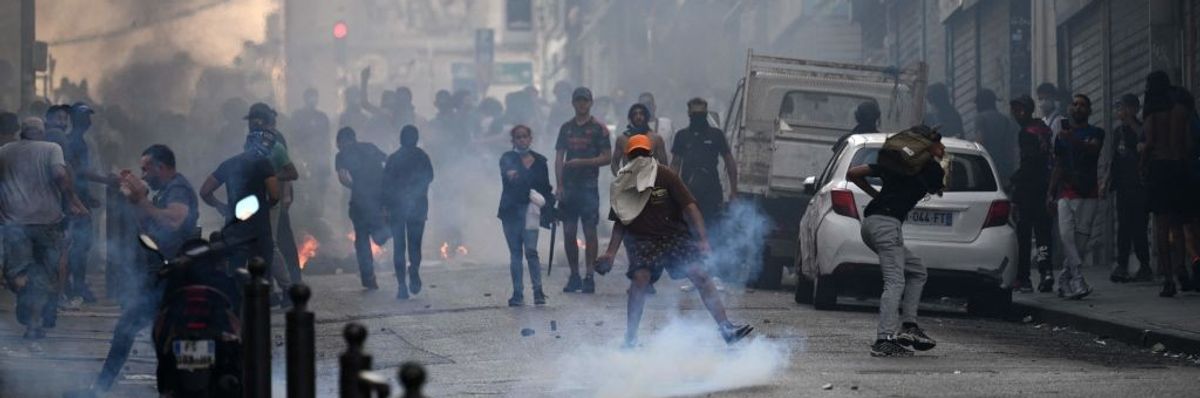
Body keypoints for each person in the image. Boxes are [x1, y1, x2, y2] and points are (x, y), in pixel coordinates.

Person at [596, 135, 752, 348]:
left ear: (651, 154)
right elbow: (621, 222)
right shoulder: (623, 183)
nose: (640, 157)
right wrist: (610, 253)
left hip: (674, 236)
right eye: (635, 154)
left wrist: (703, 240)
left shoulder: (666, 175)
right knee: (640, 278)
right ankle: (630, 338)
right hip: (644, 240)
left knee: (700, 274)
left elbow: (690, 206)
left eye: (643, 153)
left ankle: (726, 328)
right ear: (627, 157)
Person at [92, 144, 198, 393]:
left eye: (146, 169)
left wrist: (141, 198)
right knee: (169, 333)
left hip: (175, 275)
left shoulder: (178, 188)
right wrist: (134, 198)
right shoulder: (164, 191)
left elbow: (174, 221)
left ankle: (99, 389)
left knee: (171, 333)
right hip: (162, 273)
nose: (144, 175)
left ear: (161, 167)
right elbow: (148, 225)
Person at [845, 125, 944, 357]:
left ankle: (909, 326)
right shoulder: (930, 169)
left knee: (917, 270)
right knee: (895, 281)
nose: (943, 148)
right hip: (887, 225)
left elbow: (853, 174)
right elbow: (939, 186)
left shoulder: (894, 165)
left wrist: (876, 195)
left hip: (871, 223)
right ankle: (885, 339)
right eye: (939, 144)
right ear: (928, 146)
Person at [0, 118, 87, 339]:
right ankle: (34, 321)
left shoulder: (5, 151)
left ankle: (30, 314)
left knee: (18, 273)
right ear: (41, 132)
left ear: (22, 132)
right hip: (47, 222)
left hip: (14, 223)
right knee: (44, 274)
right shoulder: (52, 148)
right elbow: (60, 175)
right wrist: (73, 200)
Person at [200, 130, 282, 291]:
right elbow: (274, 194)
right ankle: (258, 311)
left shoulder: (229, 164)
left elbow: (205, 191)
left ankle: (236, 311)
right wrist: (265, 207)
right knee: (261, 276)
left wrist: (220, 206)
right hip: (258, 229)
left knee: (235, 275)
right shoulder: (264, 163)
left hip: (234, 228)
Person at [1141, 71, 1195, 297]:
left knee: (1162, 226)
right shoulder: (1182, 110)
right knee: (1179, 223)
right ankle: (1182, 270)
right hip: (1181, 168)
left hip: (1160, 168)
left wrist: (1142, 165)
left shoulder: (1154, 112)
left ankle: (1168, 279)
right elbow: (1190, 143)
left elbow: (1150, 142)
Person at [555, 86, 611, 294]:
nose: (581, 104)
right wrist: (559, 185)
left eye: (585, 100)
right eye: (578, 100)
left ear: (591, 102)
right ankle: (574, 275)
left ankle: (589, 275)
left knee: (590, 232)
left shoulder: (599, 129)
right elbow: (559, 158)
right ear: (573, 103)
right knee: (569, 232)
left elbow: (607, 157)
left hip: (589, 187)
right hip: (569, 188)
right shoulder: (566, 128)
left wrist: (584, 162)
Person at [1047, 94, 1103, 300]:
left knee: (1081, 239)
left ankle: (1064, 278)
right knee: (1066, 235)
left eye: (1082, 105)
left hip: (1088, 191)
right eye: (1075, 104)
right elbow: (1058, 165)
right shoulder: (1061, 137)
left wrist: (1074, 140)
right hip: (1066, 191)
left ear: (1089, 110)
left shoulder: (1097, 132)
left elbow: (1094, 148)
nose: (1078, 108)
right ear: (1070, 109)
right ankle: (1078, 278)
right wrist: (1050, 193)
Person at [63, 102, 115, 304]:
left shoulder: (81, 141)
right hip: (74, 202)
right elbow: (78, 172)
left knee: (81, 245)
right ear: (75, 119)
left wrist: (87, 196)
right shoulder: (75, 142)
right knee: (79, 244)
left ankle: (76, 284)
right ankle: (75, 286)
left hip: (79, 198)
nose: (88, 121)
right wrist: (105, 180)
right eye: (84, 117)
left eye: (89, 117)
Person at [497, 125, 554, 306]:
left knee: (531, 251)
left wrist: (551, 208)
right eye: (518, 137)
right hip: (511, 212)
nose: (522, 140)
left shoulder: (540, 162)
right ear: (513, 141)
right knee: (515, 253)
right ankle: (518, 293)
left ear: (531, 138)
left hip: (531, 213)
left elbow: (545, 188)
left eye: (525, 137)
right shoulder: (507, 158)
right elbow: (512, 179)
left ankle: (538, 292)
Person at [1100, 94, 1152, 283]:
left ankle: (1145, 266)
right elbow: (1114, 159)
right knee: (1123, 228)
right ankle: (1122, 265)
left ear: (1133, 108)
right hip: (1123, 187)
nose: (1118, 112)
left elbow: (1144, 138)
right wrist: (1106, 181)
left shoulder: (1142, 127)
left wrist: (1131, 120)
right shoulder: (1117, 132)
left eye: (1122, 107)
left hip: (1139, 187)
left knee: (1139, 227)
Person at [1009, 95, 1056, 293]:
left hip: (1029, 190)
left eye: (1020, 110)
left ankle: (1024, 278)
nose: (1016, 114)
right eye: (1015, 110)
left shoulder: (1026, 132)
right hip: (1044, 186)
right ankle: (1046, 273)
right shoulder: (1043, 128)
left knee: (1024, 234)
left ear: (1028, 110)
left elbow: (1029, 162)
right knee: (1043, 233)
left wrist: (1014, 181)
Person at [383, 125, 434, 300]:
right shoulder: (422, 157)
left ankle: (402, 286)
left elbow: (386, 186)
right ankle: (414, 271)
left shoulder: (393, 159)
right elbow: (429, 178)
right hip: (418, 207)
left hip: (397, 208)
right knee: (415, 245)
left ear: (400, 138)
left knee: (399, 247)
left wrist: (386, 208)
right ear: (416, 138)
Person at [670, 97, 737, 224]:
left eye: (701, 114)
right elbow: (675, 164)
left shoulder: (716, 135)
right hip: (687, 191)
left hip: (711, 191)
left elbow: (729, 161)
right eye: (695, 115)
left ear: (706, 114)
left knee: (712, 227)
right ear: (689, 114)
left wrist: (733, 191)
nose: (698, 118)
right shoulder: (682, 136)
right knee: (687, 229)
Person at [335, 127, 388, 289]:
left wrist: (356, 187)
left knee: (362, 239)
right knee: (380, 233)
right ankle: (384, 233)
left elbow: (343, 178)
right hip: (380, 199)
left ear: (341, 142)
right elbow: (388, 162)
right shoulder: (370, 147)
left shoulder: (341, 154)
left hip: (360, 202)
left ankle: (368, 277)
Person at [973, 89, 1018, 184]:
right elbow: (1010, 147)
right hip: (1004, 167)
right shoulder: (1005, 119)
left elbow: (979, 142)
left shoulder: (980, 118)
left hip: (987, 166)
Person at [611, 103, 668, 175]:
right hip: (629, 183)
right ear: (630, 118)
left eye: (641, 114)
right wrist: (622, 177)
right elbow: (614, 164)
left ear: (646, 117)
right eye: (635, 114)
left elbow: (664, 165)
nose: (638, 117)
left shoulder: (656, 139)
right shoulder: (622, 139)